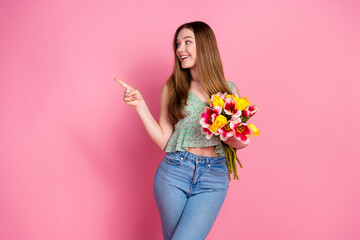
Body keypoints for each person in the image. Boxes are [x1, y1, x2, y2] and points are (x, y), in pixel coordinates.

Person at [115, 21, 248, 240]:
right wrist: (140, 106)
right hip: (174, 172)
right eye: (177, 44)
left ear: (205, 46)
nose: (180, 49)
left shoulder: (229, 90)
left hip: (213, 178)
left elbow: (239, 142)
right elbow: (163, 140)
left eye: (187, 42)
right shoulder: (173, 87)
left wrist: (235, 138)